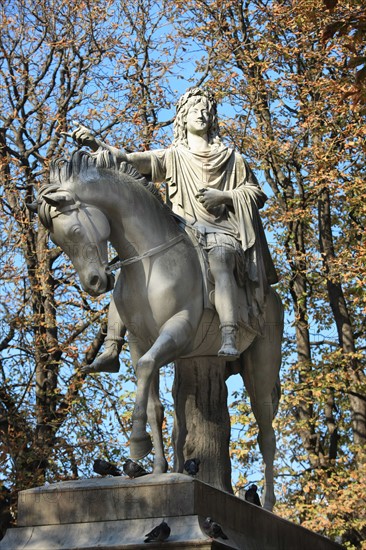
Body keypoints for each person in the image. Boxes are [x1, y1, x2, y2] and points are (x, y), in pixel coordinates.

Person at [73, 87, 277, 368]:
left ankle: (229, 332)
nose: (202, 114)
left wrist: (226, 197)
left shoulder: (232, 158)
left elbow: (256, 193)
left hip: (221, 232)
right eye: (195, 109)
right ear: (182, 118)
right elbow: (129, 160)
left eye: (207, 109)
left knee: (219, 259)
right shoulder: (173, 156)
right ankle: (111, 349)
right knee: (132, 269)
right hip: (182, 232)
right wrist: (98, 145)